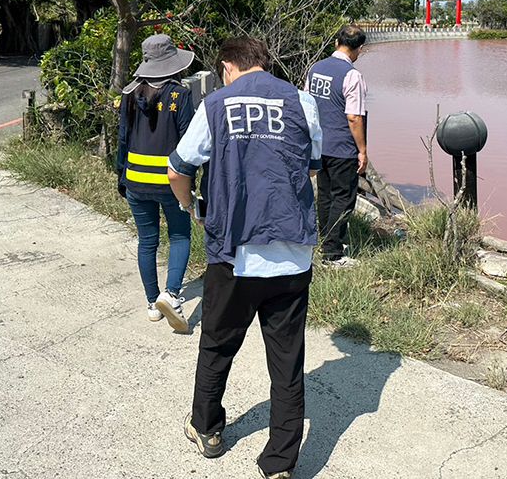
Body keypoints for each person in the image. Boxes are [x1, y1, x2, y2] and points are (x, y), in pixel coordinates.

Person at [168, 37, 322, 479]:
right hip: (291, 253)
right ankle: (279, 464)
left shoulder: (216, 104)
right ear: (264, 64)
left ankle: (207, 430)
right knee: (287, 360)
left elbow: (178, 167)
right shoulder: (302, 101)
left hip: (234, 252)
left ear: (227, 66)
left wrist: (193, 205)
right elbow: (312, 165)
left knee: (218, 343)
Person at [117, 33, 195, 334]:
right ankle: (171, 294)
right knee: (179, 235)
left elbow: (122, 138)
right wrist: (193, 180)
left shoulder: (129, 93)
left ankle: (152, 303)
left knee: (147, 241)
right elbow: (188, 143)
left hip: (135, 178)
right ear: (172, 64)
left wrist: (121, 177)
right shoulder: (180, 94)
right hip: (169, 180)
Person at [306, 24, 368, 265]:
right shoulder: (352, 76)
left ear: (335, 43)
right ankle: (333, 254)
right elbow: (354, 117)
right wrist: (362, 150)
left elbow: (308, 104)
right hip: (342, 147)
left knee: (324, 196)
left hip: (320, 145)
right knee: (343, 198)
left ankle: (326, 241)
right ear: (359, 49)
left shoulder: (315, 69)